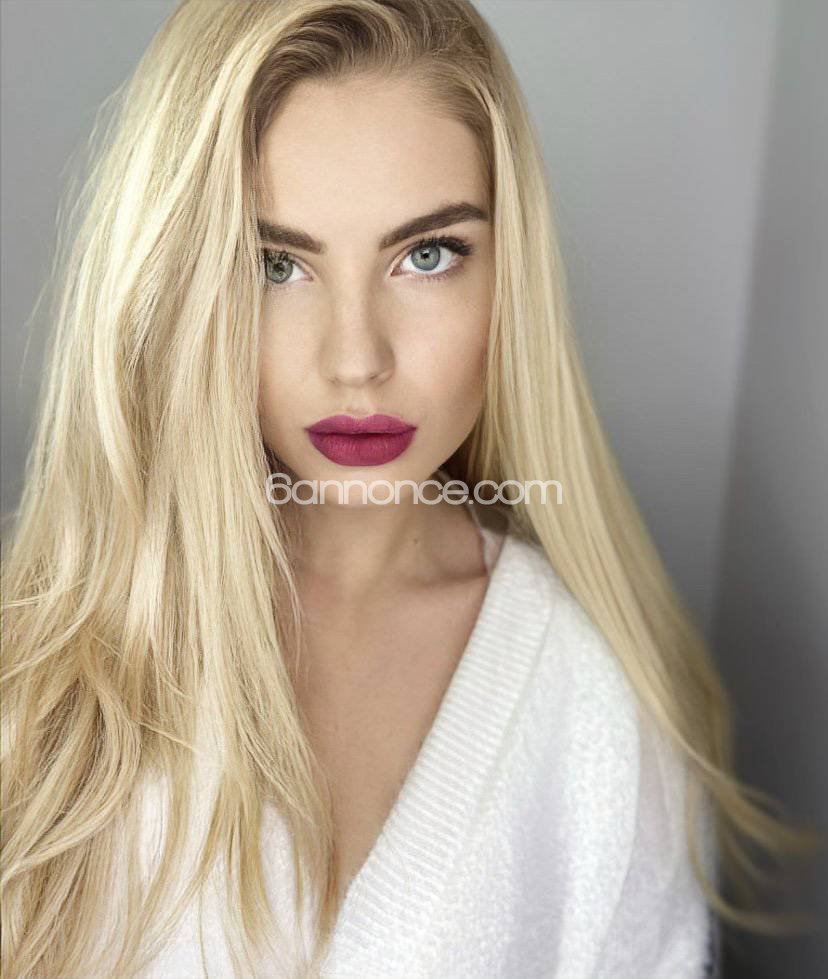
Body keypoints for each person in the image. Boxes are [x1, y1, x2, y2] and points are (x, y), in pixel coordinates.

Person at [1, 2, 821, 977]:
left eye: (426, 255)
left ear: (509, 271)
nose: (357, 358)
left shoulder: (594, 712)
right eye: (275, 264)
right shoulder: (42, 672)